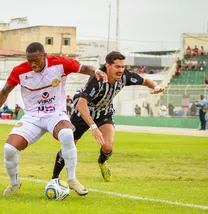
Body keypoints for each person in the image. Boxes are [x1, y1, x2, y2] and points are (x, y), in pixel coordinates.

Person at [0, 42, 107, 196]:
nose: (33, 64)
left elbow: (83, 68)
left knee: (67, 134)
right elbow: (4, 92)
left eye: (37, 60)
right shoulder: (19, 71)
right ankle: (14, 183)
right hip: (31, 117)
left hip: (55, 114)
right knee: (9, 149)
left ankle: (72, 179)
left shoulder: (60, 63)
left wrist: (96, 71)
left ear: (45, 56)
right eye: (30, 61)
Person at [51, 51, 165, 181]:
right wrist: (94, 127)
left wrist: (156, 86)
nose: (121, 70)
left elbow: (145, 81)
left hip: (104, 112)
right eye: (117, 67)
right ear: (108, 66)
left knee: (107, 147)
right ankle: (54, 178)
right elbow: (81, 105)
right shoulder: (97, 78)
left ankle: (101, 162)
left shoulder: (125, 76)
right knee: (69, 145)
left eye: (122, 67)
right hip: (82, 113)